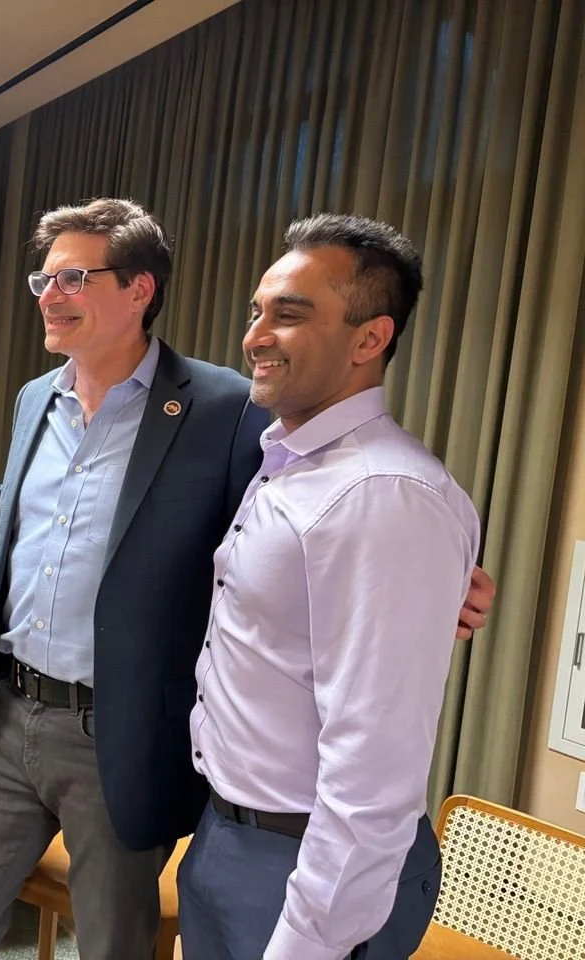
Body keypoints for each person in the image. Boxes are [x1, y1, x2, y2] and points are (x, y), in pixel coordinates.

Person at [0, 199, 495, 960]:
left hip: (120, 736)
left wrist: (443, 579)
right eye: (43, 280)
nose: (49, 296)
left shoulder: (227, 410)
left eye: (73, 279)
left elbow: (357, 546)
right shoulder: (34, 400)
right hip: (11, 713)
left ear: (138, 290)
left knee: (114, 944)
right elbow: (273, 548)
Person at [177, 214, 480, 959]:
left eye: (289, 314)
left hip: (310, 867)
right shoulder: (287, 461)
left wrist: (308, 940)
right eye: (257, 311)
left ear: (369, 339)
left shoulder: (384, 495)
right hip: (230, 834)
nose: (255, 335)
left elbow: (374, 769)